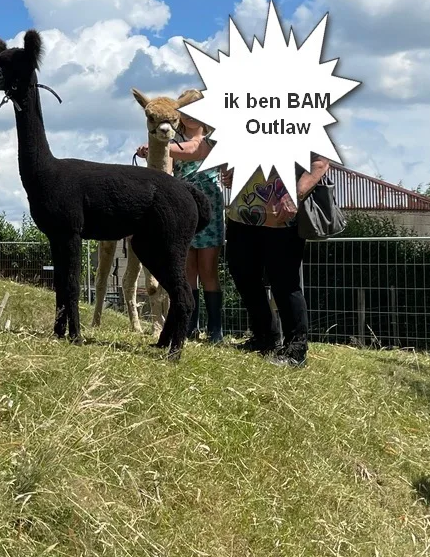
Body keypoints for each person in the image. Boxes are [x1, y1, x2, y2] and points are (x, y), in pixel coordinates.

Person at [224, 156, 332, 367]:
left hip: (282, 219)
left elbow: (320, 163)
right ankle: (264, 338)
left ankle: (296, 349)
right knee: (242, 274)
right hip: (241, 214)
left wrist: (294, 196)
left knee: (284, 282)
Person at [142, 110, 226, 342]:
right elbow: (165, 168)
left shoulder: (214, 142)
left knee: (208, 269)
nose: (191, 117)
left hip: (211, 209)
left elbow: (194, 151)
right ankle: (190, 325)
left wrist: (158, 144)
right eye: (186, 112)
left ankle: (215, 330)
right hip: (183, 211)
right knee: (187, 270)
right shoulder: (172, 143)